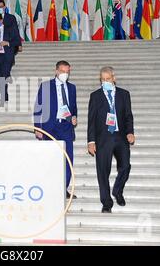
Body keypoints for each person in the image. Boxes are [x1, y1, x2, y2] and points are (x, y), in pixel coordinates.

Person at [87, 67, 135, 214]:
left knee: (125, 166)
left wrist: (130, 132)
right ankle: (106, 202)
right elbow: (92, 120)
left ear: (114, 78)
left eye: (108, 79)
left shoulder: (124, 94)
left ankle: (117, 191)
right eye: (103, 79)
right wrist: (91, 141)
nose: (105, 81)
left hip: (120, 137)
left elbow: (128, 116)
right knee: (103, 171)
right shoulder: (95, 96)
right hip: (103, 139)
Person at [34, 61, 78, 199]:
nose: (65, 74)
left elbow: (73, 107)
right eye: (63, 71)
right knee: (49, 158)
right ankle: (49, 188)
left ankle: (63, 188)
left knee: (68, 159)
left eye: (67, 72)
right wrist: (37, 127)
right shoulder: (46, 86)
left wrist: (74, 117)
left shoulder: (72, 88)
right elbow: (38, 106)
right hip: (50, 127)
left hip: (65, 127)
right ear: (56, 71)